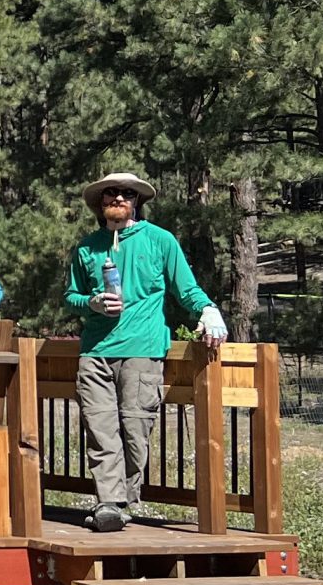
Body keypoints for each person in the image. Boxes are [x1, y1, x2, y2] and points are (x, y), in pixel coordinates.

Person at [66, 171, 227, 533]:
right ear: (101, 203)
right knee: (100, 428)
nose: (117, 199)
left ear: (136, 201)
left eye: (125, 194)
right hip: (95, 351)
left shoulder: (160, 241)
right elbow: (71, 296)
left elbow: (185, 288)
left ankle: (125, 501)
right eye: (110, 195)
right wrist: (91, 303)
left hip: (143, 352)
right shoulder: (87, 247)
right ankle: (110, 503)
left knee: (136, 430)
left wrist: (207, 309)